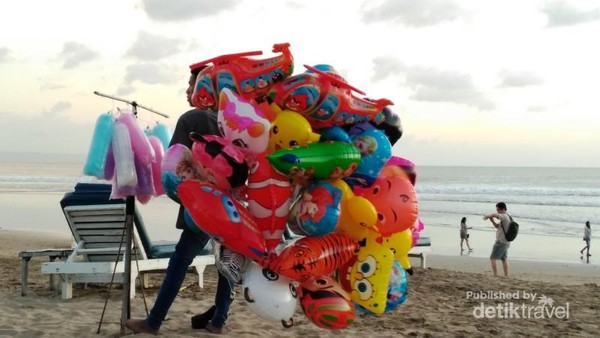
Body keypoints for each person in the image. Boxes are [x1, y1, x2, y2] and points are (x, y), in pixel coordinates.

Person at [125, 66, 233, 335]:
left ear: (205, 89)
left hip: (202, 209)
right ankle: (219, 321)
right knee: (227, 264)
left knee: (179, 261)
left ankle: (153, 322)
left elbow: (172, 170)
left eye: (191, 85)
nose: (187, 90)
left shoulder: (190, 119)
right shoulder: (232, 121)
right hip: (232, 207)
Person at [483, 202, 511, 277]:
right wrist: (492, 221)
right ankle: (506, 275)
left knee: (492, 258)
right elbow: (497, 226)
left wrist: (490, 215)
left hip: (501, 241)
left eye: (498, 209)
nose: (497, 211)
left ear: (503, 209)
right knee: (504, 259)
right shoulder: (508, 217)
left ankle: (495, 275)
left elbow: (497, 215)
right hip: (506, 242)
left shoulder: (504, 216)